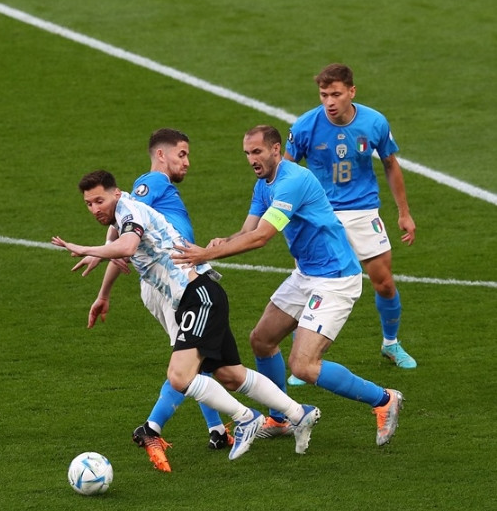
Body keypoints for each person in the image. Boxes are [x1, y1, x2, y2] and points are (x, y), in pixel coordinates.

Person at [52, 170, 321, 469]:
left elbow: (127, 246)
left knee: (180, 376)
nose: (94, 209)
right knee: (230, 375)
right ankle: (299, 413)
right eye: (89, 204)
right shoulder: (123, 212)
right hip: (202, 295)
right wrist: (103, 283)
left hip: (198, 296)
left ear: (116, 193)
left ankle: (247, 418)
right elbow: (119, 241)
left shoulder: (128, 210)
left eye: (99, 200)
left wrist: (87, 249)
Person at [172, 125, 403, 447]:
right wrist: (225, 241)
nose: (252, 159)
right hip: (306, 274)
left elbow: (263, 237)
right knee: (262, 340)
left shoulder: (292, 182)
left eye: (258, 152)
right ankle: (280, 419)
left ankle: (384, 399)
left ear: (276, 150)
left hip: (335, 278)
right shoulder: (263, 184)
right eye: (248, 153)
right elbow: (248, 230)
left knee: (304, 365)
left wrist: (208, 254)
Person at [72, 129, 234, 459]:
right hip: (172, 283)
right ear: (161, 155)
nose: (187, 162)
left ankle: (217, 430)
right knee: (190, 358)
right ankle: (152, 428)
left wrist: (104, 292)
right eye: (182, 154)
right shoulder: (154, 182)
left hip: (174, 279)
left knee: (198, 355)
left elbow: (127, 229)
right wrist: (104, 251)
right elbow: (125, 227)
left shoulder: (154, 191)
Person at [284, 63, 416, 388]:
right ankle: (304, 359)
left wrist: (404, 212)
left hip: (363, 212)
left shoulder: (374, 122)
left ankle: (390, 344)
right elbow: (285, 171)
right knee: (312, 287)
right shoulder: (304, 127)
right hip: (320, 215)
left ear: (351, 92)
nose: (329, 101)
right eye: (323, 94)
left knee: (383, 282)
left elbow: (390, 164)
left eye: (336, 94)